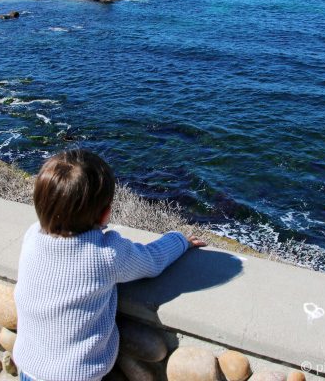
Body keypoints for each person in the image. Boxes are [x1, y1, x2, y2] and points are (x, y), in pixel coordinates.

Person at [13, 149, 205, 381]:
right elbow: (151, 260)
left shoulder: (32, 236)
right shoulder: (105, 254)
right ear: (105, 214)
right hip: (74, 376)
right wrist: (179, 240)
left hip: (29, 368)